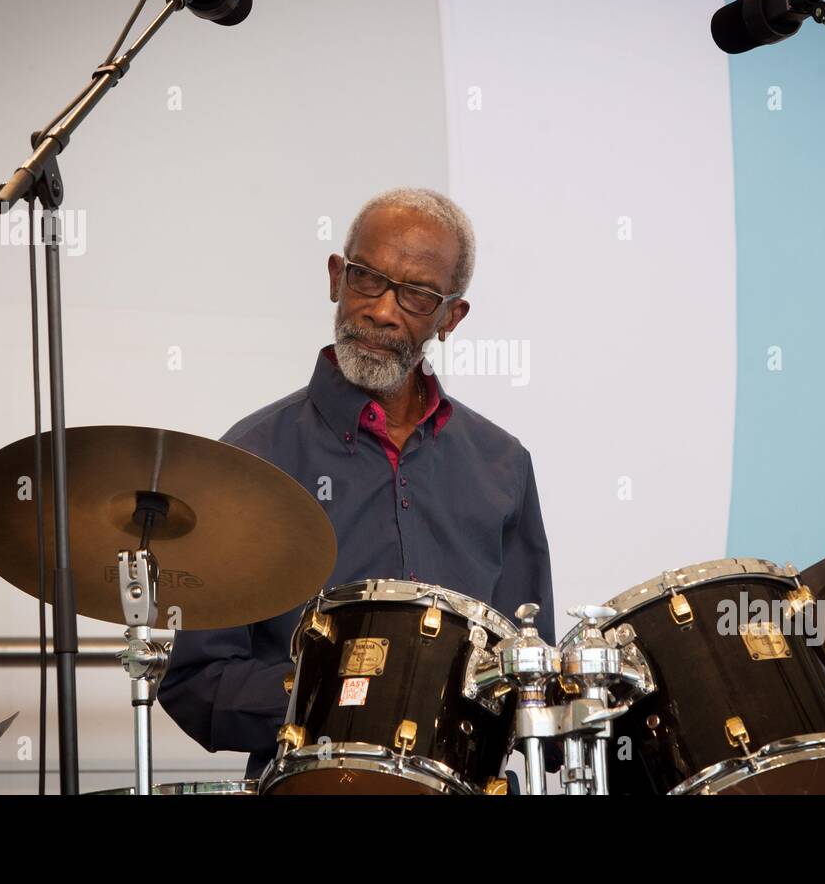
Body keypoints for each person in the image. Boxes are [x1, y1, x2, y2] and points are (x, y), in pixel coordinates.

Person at [158, 187, 556, 779]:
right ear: (336, 278)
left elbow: (531, 678)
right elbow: (196, 682)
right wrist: (338, 692)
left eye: (418, 295)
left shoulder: (503, 463)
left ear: (450, 317)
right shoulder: (250, 458)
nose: (383, 310)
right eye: (368, 279)